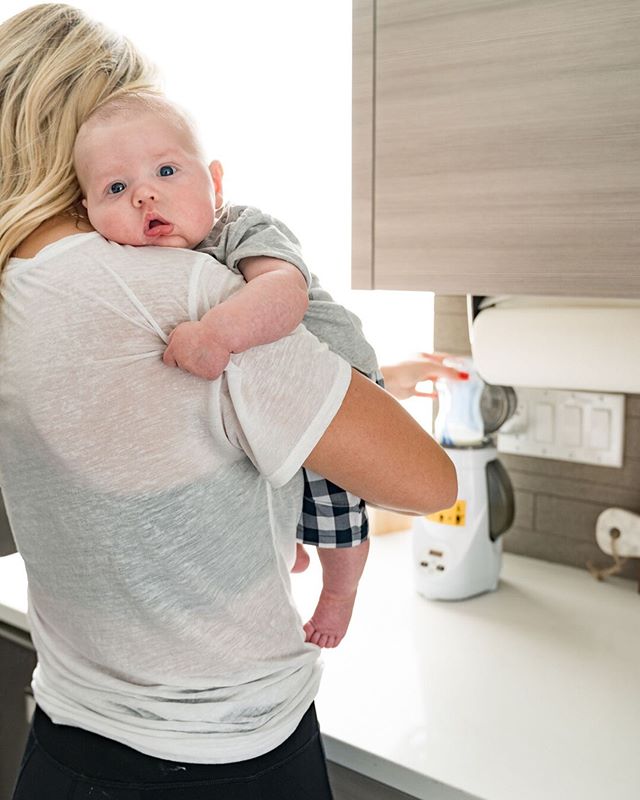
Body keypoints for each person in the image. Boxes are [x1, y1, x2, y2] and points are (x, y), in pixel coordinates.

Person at [0, 5, 457, 800]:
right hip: (230, 757)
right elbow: (427, 485)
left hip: (66, 749)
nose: (147, 197)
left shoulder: (14, 294)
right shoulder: (187, 290)